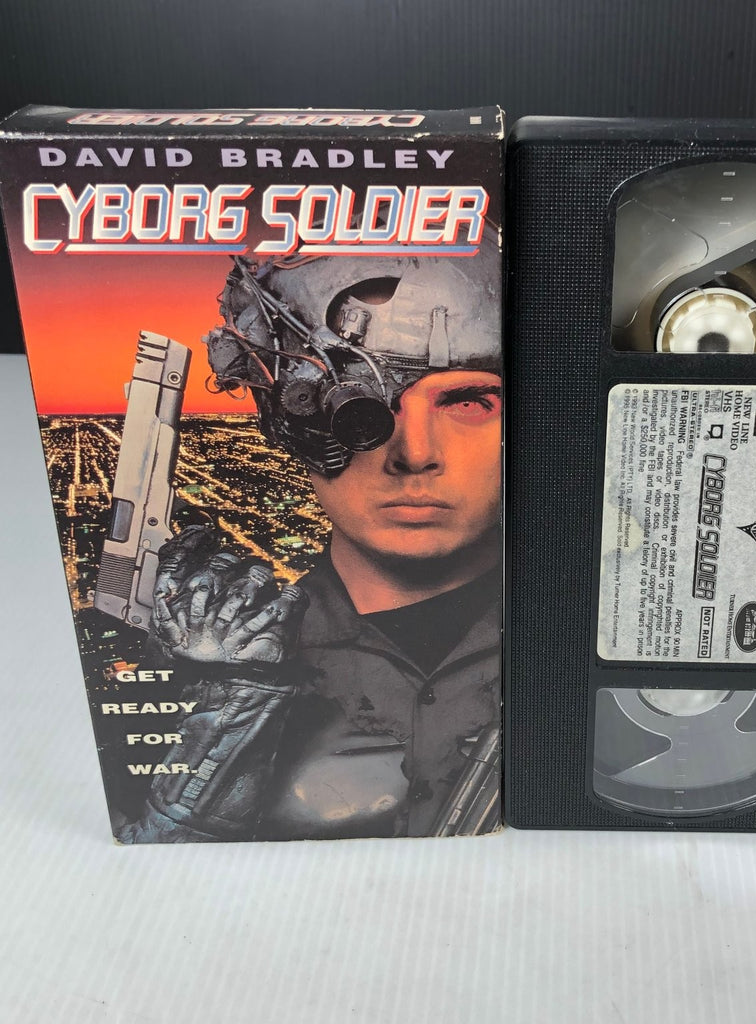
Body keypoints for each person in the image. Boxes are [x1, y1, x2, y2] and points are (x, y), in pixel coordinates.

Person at [115, 233, 502, 843]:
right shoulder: (207, 658)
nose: (414, 455)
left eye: (468, 402)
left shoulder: (582, 622)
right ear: (287, 419)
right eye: (361, 408)